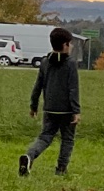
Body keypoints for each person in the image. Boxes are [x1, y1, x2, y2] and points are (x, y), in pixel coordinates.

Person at [20, 27, 80, 177]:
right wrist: (76, 110)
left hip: (49, 109)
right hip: (67, 110)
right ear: (65, 45)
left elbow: (38, 86)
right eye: (70, 43)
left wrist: (33, 105)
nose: (71, 46)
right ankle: (61, 169)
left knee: (45, 137)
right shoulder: (70, 64)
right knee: (67, 139)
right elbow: (73, 88)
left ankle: (29, 156)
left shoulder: (45, 62)